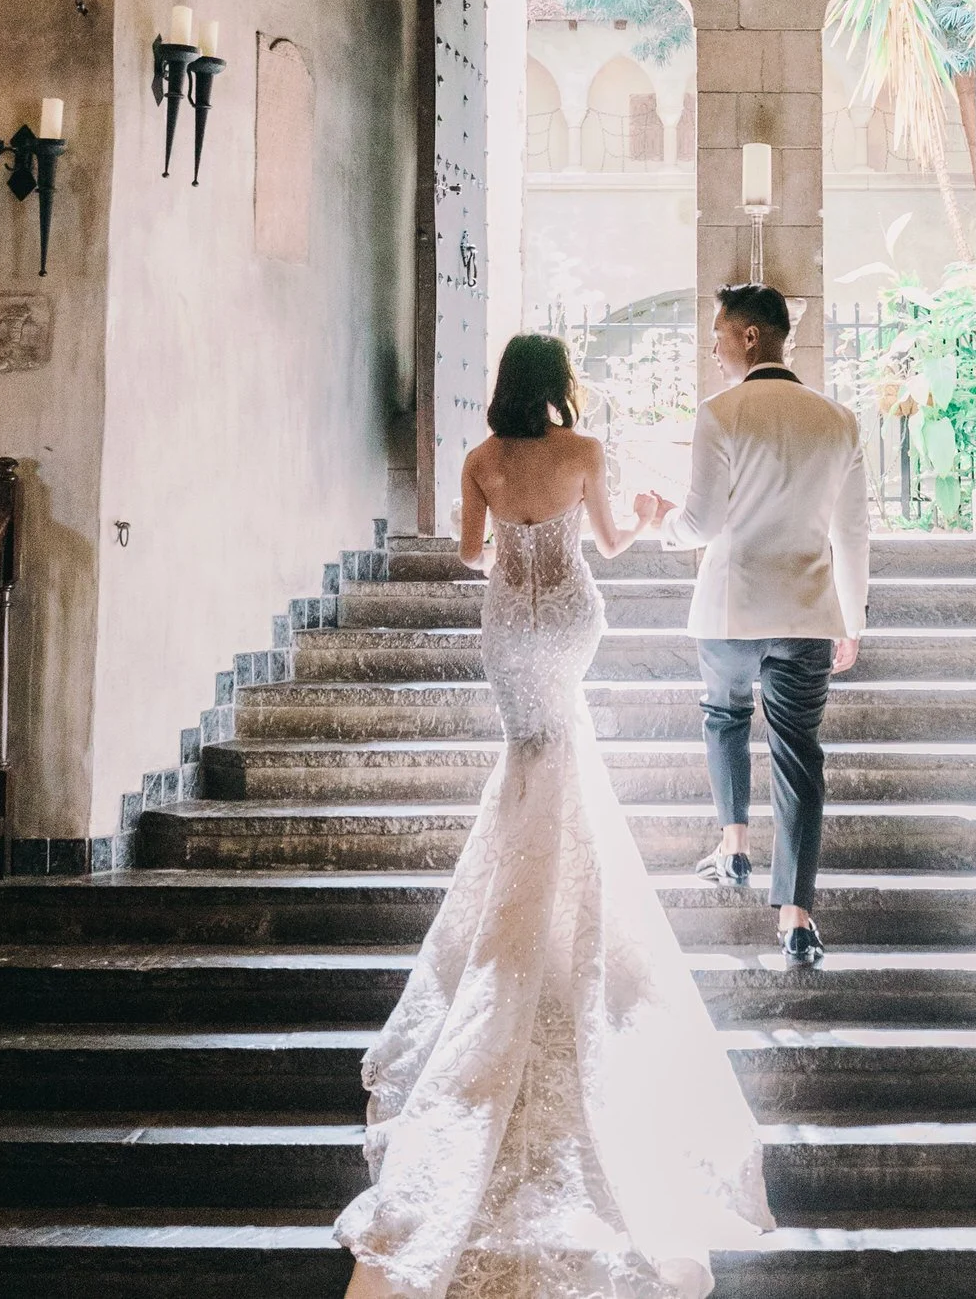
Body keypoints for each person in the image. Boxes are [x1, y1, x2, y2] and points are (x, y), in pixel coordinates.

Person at [337, 333, 772, 1299]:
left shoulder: (481, 461)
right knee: (563, 752)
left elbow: (464, 552)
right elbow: (611, 542)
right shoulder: (585, 454)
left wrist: (506, 537)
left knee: (529, 752)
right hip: (572, 615)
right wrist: (648, 515)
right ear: (558, 387)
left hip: (509, 622)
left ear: (501, 386)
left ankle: (520, 901)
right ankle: (564, 899)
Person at [643, 285, 871, 971]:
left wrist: (660, 521)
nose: (713, 351)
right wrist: (851, 618)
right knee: (799, 752)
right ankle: (797, 917)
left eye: (718, 336)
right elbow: (852, 534)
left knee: (723, 715)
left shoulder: (722, 413)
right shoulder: (838, 421)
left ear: (750, 337)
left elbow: (702, 523)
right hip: (805, 613)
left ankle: (735, 846)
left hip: (731, 609)